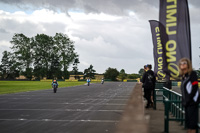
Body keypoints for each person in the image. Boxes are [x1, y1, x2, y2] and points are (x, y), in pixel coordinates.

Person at [179, 58, 200, 133]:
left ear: (188, 64)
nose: (182, 64)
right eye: (181, 63)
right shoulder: (184, 76)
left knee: (192, 124)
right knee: (188, 123)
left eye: (184, 63)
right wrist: (184, 100)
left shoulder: (192, 74)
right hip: (186, 103)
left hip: (192, 102)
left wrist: (189, 99)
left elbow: (195, 87)